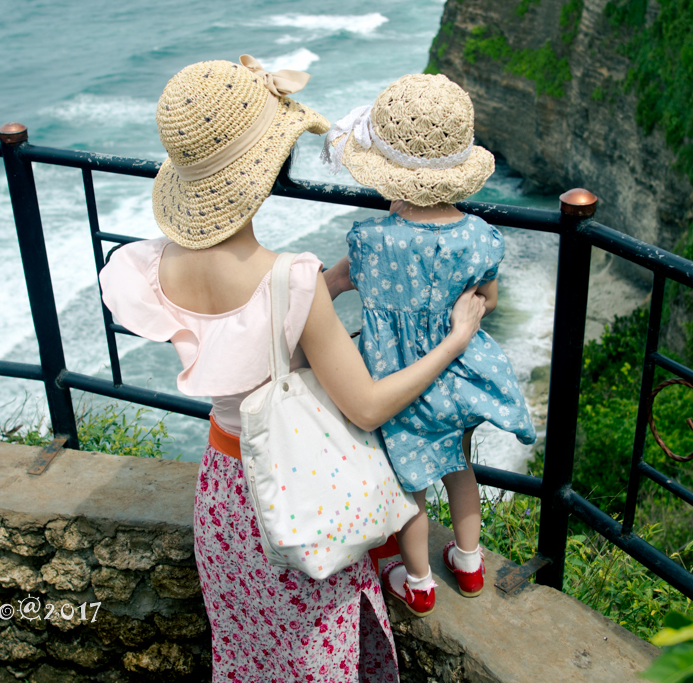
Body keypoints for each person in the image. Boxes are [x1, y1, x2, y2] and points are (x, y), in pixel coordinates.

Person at [99, 55, 488, 682]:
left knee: (251, 654)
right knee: (314, 659)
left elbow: (246, 331)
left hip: (224, 490)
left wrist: (330, 283)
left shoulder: (155, 264)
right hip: (294, 495)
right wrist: (454, 339)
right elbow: (366, 405)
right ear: (270, 168)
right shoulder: (291, 279)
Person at [321, 73, 537, 616]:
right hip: (460, 373)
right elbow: (485, 296)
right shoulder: (480, 235)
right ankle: (468, 561)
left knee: (411, 484)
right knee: (460, 466)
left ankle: (418, 581)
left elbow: (337, 287)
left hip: (398, 381)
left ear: (391, 176)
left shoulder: (371, 242)